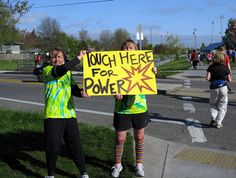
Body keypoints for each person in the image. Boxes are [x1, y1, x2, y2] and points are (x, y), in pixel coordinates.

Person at [110, 39, 157, 177]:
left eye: (131, 47)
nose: (128, 50)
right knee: (120, 138)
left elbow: (149, 81)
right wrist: (115, 93)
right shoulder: (115, 66)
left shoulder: (144, 64)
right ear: (121, 50)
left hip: (139, 108)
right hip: (122, 109)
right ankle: (117, 165)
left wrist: (153, 72)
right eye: (125, 48)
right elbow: (109, 84)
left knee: (140, 137)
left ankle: (139, 164)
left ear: (136, 50)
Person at [43, 47, 89, 178]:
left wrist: (82, 93)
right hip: (52, 115)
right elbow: (60, 70)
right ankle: (50, 174)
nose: (56, 59)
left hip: (69, 114)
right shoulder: (47, 70)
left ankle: (83, 172)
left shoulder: (68, 73)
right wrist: (78, 58)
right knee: (52, 147)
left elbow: (73, 89)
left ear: (63, 59)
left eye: (59, 57)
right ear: (50, 59)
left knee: (76, 146)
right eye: (54, 57)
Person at [206, 52, 232, 129]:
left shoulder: (211, 67)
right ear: (222, 59)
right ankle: (219, 122)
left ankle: (213, 118)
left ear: (214, 58)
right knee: (222, 105)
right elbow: (229, 80)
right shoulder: (225, 67)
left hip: (214, 87)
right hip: (223, 87)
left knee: (213, 104)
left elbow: (207, 78)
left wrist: (212, 81)